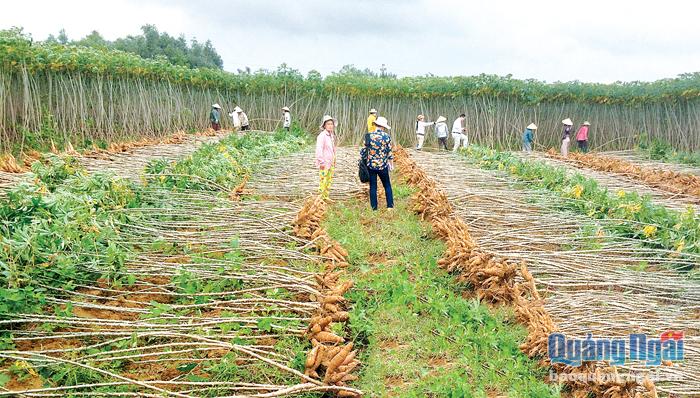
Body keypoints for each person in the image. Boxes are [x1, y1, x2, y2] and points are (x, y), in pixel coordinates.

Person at [360, 116, 394, 210]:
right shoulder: (386, 137)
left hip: (371, 166)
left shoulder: (368, 136)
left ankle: (374, 208)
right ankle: (390, 206)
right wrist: (391, 164)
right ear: (383, 127)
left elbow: (363, 152)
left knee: (373, 187)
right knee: (387, 185)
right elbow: (389, 152)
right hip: (382, 165)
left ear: (376, 125)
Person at [315, 115, 337, 200]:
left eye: (331, 124)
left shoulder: (331, 135)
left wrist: (335, 159)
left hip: (330, 162)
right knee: (323, 181)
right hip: (324, 163)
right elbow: (319, 149)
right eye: (328, 124)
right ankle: (320, 199)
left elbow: (332, 148)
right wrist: (321, 162)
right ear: (324, 125)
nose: (330, 126)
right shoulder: (322, 136)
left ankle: (326, 197)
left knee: (329, 180)